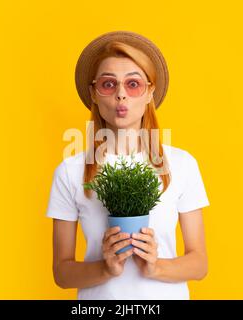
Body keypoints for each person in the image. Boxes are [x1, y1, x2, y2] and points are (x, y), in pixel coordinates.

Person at [46, 31, 210, 300]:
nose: (121, 95)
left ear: (149, 93)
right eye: (109, 85)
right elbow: (61, 273)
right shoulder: (70, 171)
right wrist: (106, 268)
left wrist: (155, 267)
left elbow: (199, 263)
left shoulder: (182, 164)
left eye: (133, 84)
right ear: (94, 94)